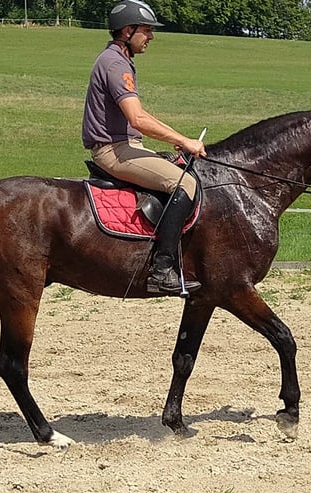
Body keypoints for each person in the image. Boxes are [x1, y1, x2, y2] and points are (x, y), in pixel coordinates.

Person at [82, 0, 206, 296]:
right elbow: (137, 118)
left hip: (125, 144)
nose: (151, 37)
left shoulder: (119, 60)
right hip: (114, 150)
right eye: (147, 31)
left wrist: (177, 138)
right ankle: (161, 271)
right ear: (128, 30)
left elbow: (142, 115)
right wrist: (184, 140)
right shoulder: (115, 64)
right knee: (184, 183)